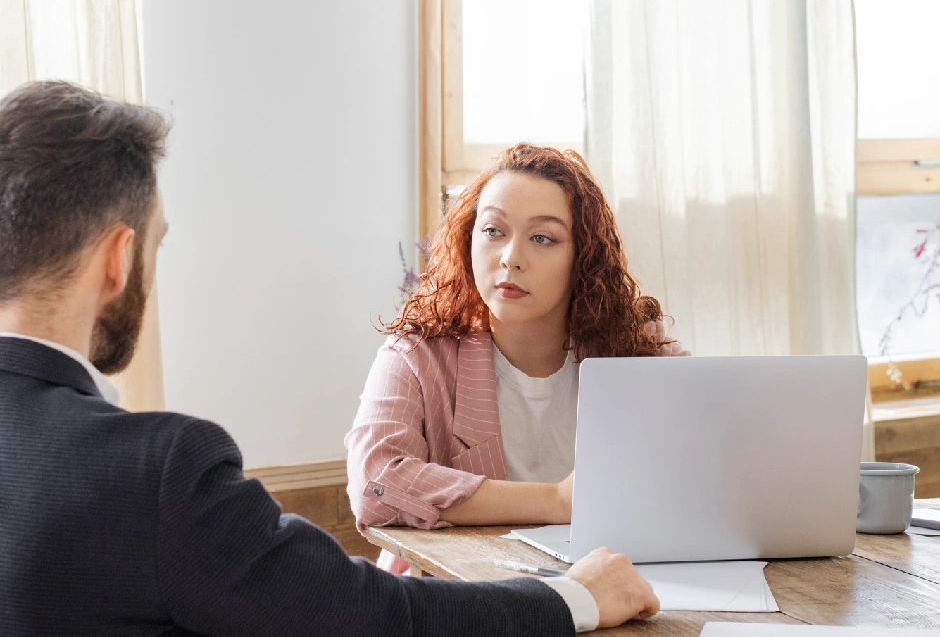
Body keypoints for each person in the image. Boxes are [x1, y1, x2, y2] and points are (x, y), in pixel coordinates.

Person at [0, 80, 659, 636]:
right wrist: (573, 598)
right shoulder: (156, 470)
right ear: (120, 258)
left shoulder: (634, 348)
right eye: (157, 246)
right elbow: (365, 611)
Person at [346, 144, 690, 572]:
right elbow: (376, 485)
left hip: (616, 584)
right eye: (493, 231)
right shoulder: (417, 351)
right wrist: (558, 501)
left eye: (542, 238)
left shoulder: (636, 348)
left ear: (582, 257)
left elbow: (705, 460)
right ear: (467, 239)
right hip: (455, 593)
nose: (511, 257)